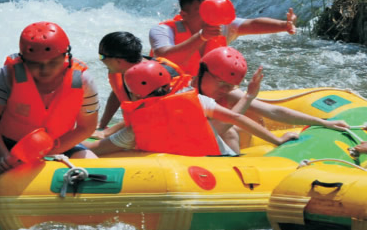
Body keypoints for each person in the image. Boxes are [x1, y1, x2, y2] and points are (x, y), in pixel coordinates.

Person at [0, 21, 99, 213]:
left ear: (66, 56)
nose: (45, 70)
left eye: (52, 62)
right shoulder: (7, 75)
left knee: (98, 179)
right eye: (36, 65)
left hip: (58, 144)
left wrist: (48, 152)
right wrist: (3, 156)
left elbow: (85, 128)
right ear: (24, 60)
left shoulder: (83, 80)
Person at [84, 59, 297, 157]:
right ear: (167, 81)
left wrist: (60, 146)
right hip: (219, 164)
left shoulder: (135, 129)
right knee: (230, 131)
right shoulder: (197, 101)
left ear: (136, 93)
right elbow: (236, 118)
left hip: (185, 175)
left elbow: (94, 150)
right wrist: (277, 140)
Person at [195, 47, 350, 153]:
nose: (224, 91)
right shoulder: (185, 94)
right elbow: (217, 129)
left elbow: (273, 111)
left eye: (230, 87)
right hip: (194, 148)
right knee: (232, 131)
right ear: (203, 72)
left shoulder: (227, 93)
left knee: (244, 123)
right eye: (221, 84)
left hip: (219, 146)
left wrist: (323, 122)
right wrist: (276, 140)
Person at [149, 0, 298, 76]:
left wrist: (284, 25)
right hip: (169, 88)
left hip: (206, 88)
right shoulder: (163, 30)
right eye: (202, 11)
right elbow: (164, 56)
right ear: (184, 15)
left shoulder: (222, 25)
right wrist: (202, 37)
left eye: (211, 9)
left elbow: (251, 24)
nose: (209, 16)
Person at [95, 31, 183, 137]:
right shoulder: (121, 70)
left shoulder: (155, 76)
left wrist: (106, 133)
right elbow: (117, 93)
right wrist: (102, 125)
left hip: (169, 132)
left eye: (102, 57)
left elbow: (151, 114)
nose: (101, 60)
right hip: (138, 128)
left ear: (118, 61)